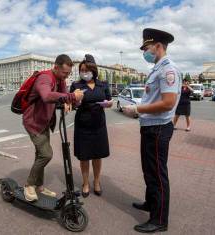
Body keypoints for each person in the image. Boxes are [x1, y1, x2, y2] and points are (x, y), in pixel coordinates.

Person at [123, 28, 181, 233]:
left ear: (158, 46)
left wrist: (138, 108)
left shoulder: (168, 70)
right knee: (149, 170)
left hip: (158, 129)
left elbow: (167, 103)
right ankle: (151, 203)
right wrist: (140, 111)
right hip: (150, 127)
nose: (145, 52)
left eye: (147, 47)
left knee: (157, 174)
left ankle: (159, 219)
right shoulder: (157, 68)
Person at [23, 54, 84, 202]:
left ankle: (39, 186)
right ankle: (29, 185)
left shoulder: (60, 80)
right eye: (65, 73)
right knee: (46, 154)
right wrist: (70, 97)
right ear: (56, 67)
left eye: (69, 73)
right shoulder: (45, 78)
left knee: (40, 155)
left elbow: (62, 97)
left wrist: (72, 103)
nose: (66, 76)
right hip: (34, 123)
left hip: (44, 122)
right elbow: (46, 96)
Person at [69, 54, 113, 198]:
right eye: (82, 70)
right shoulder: (76, 85)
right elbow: (70, 103)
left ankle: (97, 182)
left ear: (94, 71)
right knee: (84, 156)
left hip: (99, 125)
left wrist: (108, 104)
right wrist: (76, 102)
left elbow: (109, 100)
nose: (84, 72)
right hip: (83, 125)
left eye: (87, 70)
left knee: (97, 155)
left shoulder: (103, 84)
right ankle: (86, 183)